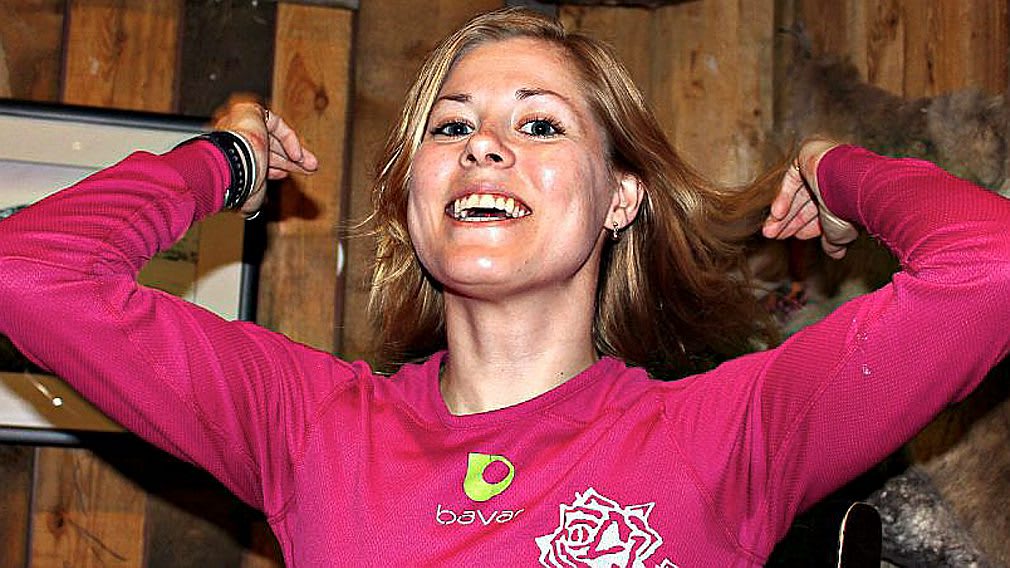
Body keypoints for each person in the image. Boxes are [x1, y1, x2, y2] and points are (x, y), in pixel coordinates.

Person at [0, 7, 1007, 567]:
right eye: (450, 127)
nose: (482, 144)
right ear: (412, 203)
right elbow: (27, 271)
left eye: (538, 124)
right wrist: (226, 162)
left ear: (620, 196)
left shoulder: (730, 433)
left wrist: (834, 168)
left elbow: (989, 270)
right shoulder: (307, 426)